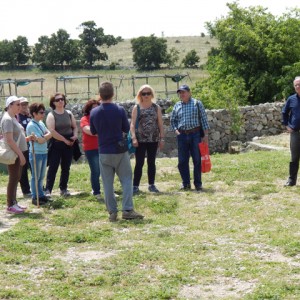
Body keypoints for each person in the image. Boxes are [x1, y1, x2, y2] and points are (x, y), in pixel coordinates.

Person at [90, 81, 144, 222]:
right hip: (119, 150)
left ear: (100, 95)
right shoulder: (119, 110)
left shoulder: (94, 112)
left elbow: (94, 131)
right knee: (126, 179)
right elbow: (126, 128)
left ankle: (112, 212)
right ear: (113, 94)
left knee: (107, 183)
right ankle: (127, 209)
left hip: (103, 150)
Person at [170, 84, 209, 191]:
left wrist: (205, 135)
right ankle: (186, 183)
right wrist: (176, 131)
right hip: (182, 135)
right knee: (182, 161)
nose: (181, 94)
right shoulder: (177, 105)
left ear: (189, 93)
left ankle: (198, 184)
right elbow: (172, 121)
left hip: (195, 134)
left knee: (196, 160)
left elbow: (204, 120)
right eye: (180, 93)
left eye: (183, 92)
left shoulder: (197, 103)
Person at [0, 96, 34, 214]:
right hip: (14, 153)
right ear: (10, 105)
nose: (20, 107)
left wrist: (27, 139)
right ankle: (10, 205)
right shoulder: (7, 119)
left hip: (18, 152)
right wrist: (21, 154)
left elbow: (16, 137)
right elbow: (9, 140)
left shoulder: (13, 118)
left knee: (17, 177)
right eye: (17, 104)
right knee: (14, 178)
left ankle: (14, 202)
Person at [130, 84, 165, 194]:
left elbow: (160, 124)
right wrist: (134, 138)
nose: (146, 95)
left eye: (148, 93)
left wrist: (162, 138)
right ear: (140, 95)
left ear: (151, 94)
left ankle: (151, 184)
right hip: (140, 140)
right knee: (139, 163)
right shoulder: (137, 107)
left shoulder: (156, 108)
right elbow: (132, 124)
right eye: (143, 93)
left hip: (153, 139)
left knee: (151, 162)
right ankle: (135, 186)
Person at [44, 93, 78, 197]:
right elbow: (52, 131)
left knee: (66, 167)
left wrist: (75, 136)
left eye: (62, 99)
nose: (60, 101)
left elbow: (74, 127)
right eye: (57, 100)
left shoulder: (68, 113)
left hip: (69, 143)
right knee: (53, 167)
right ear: (53, 102)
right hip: (57, 144)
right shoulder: (51, 115)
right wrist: (64, 140)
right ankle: (48, 189)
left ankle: (63, 188)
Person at [26, 103, 52, 205]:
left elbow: (49, 134)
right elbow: (41, 140)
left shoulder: (41, 123)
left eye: (44, 112)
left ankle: (41, 195)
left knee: (41, 176)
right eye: (41, 112)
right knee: (35, 176)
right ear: (34, 113)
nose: (43, 114)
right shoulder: (31, 125)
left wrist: (43, 137)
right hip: (35, 153)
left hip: (44, 152)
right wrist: (44, 137)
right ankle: (35, 197)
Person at [80, 99, 101, 201]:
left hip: (103, 147)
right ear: (89, 109)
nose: (96, 109)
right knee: (96, 170)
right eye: (93, 107)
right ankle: (96, 191)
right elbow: (88, 130)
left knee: (106, 170)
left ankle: (108, 190)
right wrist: (102, 132)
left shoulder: (102, 118)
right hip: (91, 149)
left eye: (97, 107)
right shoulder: (85, 119)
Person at [282, 76, 300, 186]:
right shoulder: (291, 99)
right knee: (294, 157)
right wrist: (286, 125)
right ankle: (291, 180)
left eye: (299, 84)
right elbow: (284, 112)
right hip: (295, 133)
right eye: (296, 85)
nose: (298, 87)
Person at [17, 97, 32, 198]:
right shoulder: (16, 117)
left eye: (26, 104)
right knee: (23, 169)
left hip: (32, 145)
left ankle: (37, 187)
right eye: (22, 104)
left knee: (34, 168)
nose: (24, 106)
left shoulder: (29, 116)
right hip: (22, 146)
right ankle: (26, 190)